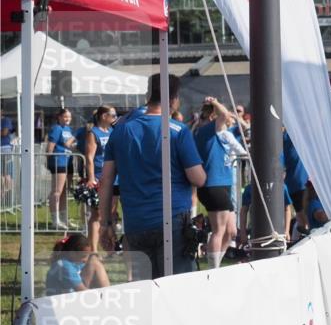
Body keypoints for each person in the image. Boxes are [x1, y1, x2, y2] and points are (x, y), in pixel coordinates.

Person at [99, 74, 206, 279]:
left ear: (148, 95)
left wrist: (106, 224)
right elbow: (198, 178)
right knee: (176, 287)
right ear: (174, 99)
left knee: (146, 287)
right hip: (172, 220)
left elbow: (105, 181)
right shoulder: (178, 131)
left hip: (136, 222)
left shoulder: (120, 131)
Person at [194, 98, 238, 269]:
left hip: (223, 184)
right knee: (219, 231)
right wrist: (216, 102)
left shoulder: (214, 130)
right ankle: (213, 271)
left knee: (231, 231)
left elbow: (227, 118)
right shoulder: (208, 129)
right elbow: (225, 115)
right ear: (213, 116)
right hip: (214, 185)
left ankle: (215, 263)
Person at [81, 106, 117, 252]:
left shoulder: (113, 131)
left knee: (112, 214)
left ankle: (111, 247)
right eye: (113, 115)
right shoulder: (93, 133)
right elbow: (89, 157)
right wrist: (91, 178)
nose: (115, 117)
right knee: (97, 215)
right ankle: (94, 250)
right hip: (98, 177)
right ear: (104, 116)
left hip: (114, 177)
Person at [46, 108, 76, 229]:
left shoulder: (68, 129)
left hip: (68, 161)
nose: (68, 119)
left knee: (64, 191)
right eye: (65, 116)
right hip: (59, 161)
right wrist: (49, 160)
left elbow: (69, 145)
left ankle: (64, 219)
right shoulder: (56, 128)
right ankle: (55, 220)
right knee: (57, 191)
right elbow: (50, 147)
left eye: (69, 117)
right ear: (59, 117)